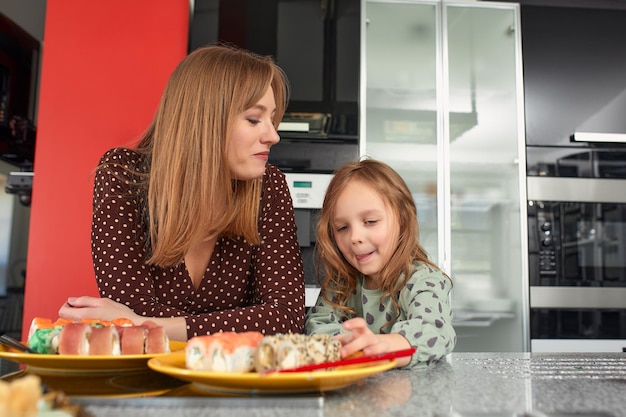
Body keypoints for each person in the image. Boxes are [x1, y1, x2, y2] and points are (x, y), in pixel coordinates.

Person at [58, 44, 306, 342]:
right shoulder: (121, 174)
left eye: (272, 119)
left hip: (235, 382)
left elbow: (287, 319)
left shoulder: (269, 187)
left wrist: (148, 324)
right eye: (254, 119)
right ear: (205, 120)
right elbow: (130, 311)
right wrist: (138, 320)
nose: (273, 135)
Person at [305, 158, 456, 368]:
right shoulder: (340, 284)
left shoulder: (424, 280)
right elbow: (317, 325)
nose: (355, 237)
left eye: (370, 222)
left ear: (403, 220)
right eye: (342, 228)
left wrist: (379, 346)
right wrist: (353, 344)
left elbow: (435, 332)